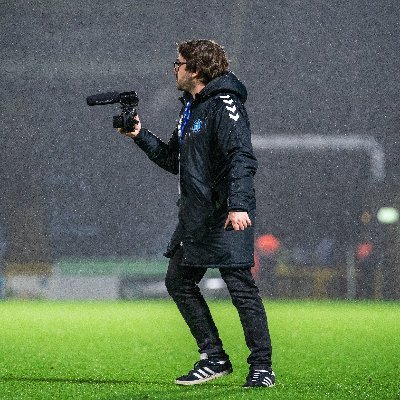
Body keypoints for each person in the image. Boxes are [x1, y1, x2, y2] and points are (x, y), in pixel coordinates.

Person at [118, 39, 275, 388]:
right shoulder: (190, 108)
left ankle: (262, 368)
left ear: (196, 69)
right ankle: (215, 357)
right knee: (178, 281)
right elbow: (174, 160)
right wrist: (139, 135)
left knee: (240, 287)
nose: (174, 69)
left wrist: (239, 205)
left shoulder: (224, 104)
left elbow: (241, 157)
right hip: (196, 216)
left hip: (223, 214)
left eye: (178, 63)